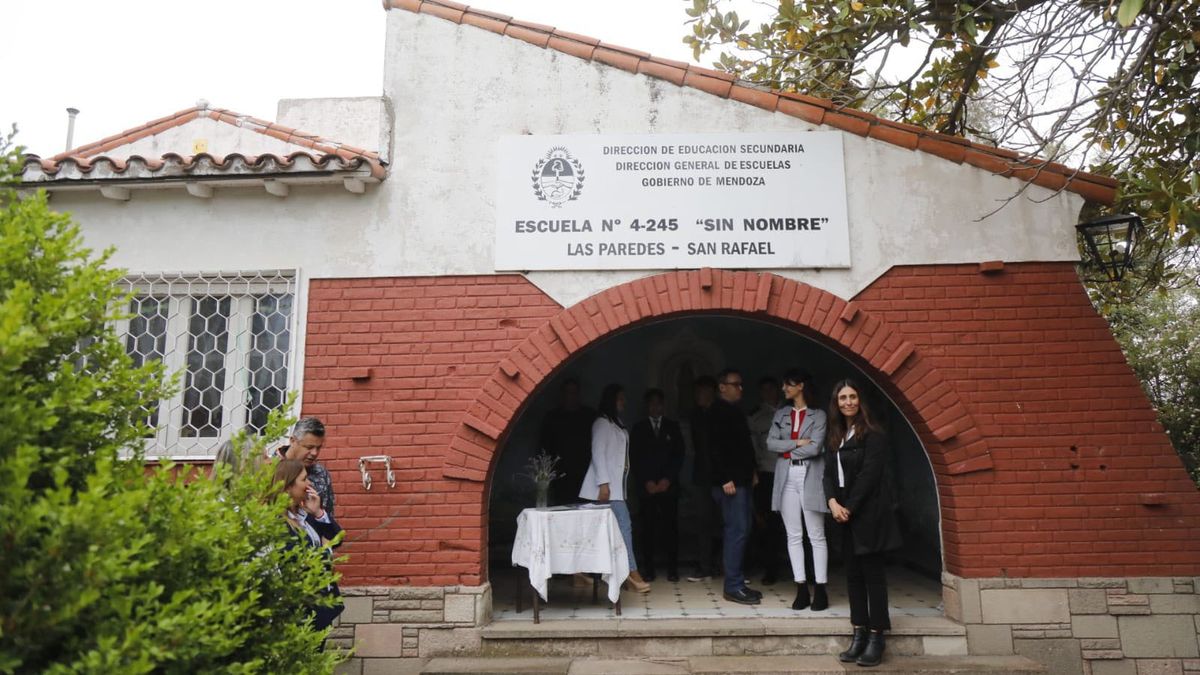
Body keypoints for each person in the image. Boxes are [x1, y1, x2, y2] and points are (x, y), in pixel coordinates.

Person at [823, 379, 902, 667]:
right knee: (853, 576)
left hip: (868, 513)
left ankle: (876, 636)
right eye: (842, 397)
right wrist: (832, 502)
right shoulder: (835, 435)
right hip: (842, 513)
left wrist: (849, 508)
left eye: (852, 396)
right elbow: (827, 474)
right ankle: (858, 633)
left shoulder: (873, 434)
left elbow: (869, 476)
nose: (848, 402)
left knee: (873, 577)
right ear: (836, 403)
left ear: (860, 400)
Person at [767, 369, 830, 611]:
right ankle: (801, 588)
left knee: (816, 533)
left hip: (811, 473)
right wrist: (796, 444)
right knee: (793, 534)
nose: (784, 389)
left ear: (801, 386)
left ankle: (821, 588)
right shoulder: (781, 413)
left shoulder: (819, 415)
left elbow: (815, 449)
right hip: (786, 475)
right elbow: (770, 443)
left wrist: (786, 450)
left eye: (788, 384)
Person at [579, 383, 650, 593]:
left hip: (615, 488)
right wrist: (603, 484)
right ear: (611, 400)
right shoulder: (602, 423)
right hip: (606, 489)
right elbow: (598, 453)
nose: (623, 402)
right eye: (620, 398)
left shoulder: (616, 422)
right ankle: (630, 571)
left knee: (597, 532)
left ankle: (579, 572)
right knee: (624, 527)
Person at [708, 368, 761, 605]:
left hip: (743, 480)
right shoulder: (716, 412)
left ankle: (737, 582)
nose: (740, 388)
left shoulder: (734, 411)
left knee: (743, 530)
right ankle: (733, 586)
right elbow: (713, 449)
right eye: (735, 384)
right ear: (722, 387)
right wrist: (724, 478)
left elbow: (742, 447)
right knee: (736, 532)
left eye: (741, 384)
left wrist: (752, 472)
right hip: (730, 484)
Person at [275, 458, 345, 632]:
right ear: (288, 485)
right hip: (300, 609)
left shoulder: (304, 514)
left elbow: (337, 538)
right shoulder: (278, 522)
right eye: (304, 479)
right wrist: (324, 554)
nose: (309, 483)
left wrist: (319, 512)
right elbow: (293, 560)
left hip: (321, 605)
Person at [630, 388, 685, 582]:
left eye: (658, 403)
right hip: (647, 488)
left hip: (668, 487)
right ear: (647, 406)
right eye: (651, 403)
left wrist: (666, 480)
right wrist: (647, 481)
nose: (655, 407)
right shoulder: (638, 428)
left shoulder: (672, 426)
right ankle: (649, 569)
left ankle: (672, 569)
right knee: (647, 529)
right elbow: (634, 458)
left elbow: (679, 456)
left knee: (670, 528)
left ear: (663, 405)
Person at [685, 375, 722, 582]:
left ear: (711, 392)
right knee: (703, 522)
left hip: (721, 477)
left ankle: (721, 564)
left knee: (724, 521)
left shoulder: (721, 412)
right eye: (696, 392)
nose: (698, 396)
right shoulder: (695, 415)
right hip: (701, 475)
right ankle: (705, 566)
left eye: (702, 392)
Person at [748, 376, 785, 585]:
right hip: (767, 474)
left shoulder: (789, 412)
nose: (769, 393)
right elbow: (752, 449)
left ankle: (803, 569)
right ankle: (771, 569)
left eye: (772, 389)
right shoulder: (755, 417)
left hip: (789, 472)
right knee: (768, 523)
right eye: (765, 390)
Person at [539, 378, 596, 505]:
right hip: (560, 475)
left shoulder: (589, 415)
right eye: (568, 392)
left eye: (574, 392)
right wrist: (547, 474)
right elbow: (544, 447)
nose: (571, 396)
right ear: (562, 394)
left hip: (585, 474)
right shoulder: (552, 417)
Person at [279, 417, 336, 517]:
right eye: (309, 447)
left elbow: (328, 515)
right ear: (293, 441)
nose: (314, 453)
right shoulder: (271, 468)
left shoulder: (320, 473)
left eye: (318, 448)